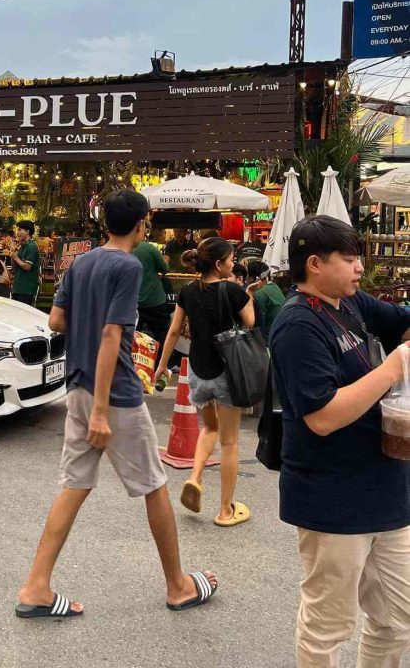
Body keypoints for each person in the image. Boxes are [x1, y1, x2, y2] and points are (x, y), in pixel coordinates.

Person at [16, 191, 218, 619]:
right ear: (142, 224)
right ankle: (178, 585)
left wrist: (85, 320)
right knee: (154, 486)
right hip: (115, 395)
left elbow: (56, 321)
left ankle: (36, 586)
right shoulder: (128, 266)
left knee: (74, 485)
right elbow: (113, 335)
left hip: (77, 388)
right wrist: (104, 410)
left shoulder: (82, 262)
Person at [270, 216, 410, 667]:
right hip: (331, 497)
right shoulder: (298, 324)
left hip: (387, 491)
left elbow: (402, 323)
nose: (358, 267)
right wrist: (392, 370)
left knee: (398, 618)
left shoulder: (348, 302)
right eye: (349, 258)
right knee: (327, 626)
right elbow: (323, 417)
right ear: (314, 263)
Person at [155, 237, 257, 527]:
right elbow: (250, 322)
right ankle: (225, 510)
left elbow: (174, 330)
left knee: (209, 427)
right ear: (218, 263)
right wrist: (247, 294)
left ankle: (195, 477)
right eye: (230, 258)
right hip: (227, 371)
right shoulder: (233, 291)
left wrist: (163, 366)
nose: (233, 263)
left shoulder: (188, 291)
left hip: (198, 371)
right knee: (230, 441)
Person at [133, 233, 171, 349]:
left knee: (133, 338)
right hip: (155, 300)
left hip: (132, 303)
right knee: (161, 335)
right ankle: (159, 362)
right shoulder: (148, 248)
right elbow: (164, 269)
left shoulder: (121, 249)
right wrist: (166, 260)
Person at [246, 260, 285, 340]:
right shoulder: (274, 286)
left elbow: (257, 325)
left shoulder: (259, 294)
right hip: (281, 334)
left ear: (252, 278)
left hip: (268, 340)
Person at [9, 220, 40, 306]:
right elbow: (15, 268)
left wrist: (16, 257)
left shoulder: (32, 246)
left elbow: (27, 267)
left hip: (26, 288)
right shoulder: (22, 246)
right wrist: (13, 251)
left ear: (27, 231)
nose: (17, 233)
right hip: (18, 286)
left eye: (19, 230)